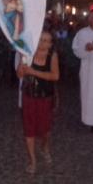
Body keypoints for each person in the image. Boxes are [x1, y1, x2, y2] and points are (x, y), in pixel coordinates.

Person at [16, 30, 59, 174]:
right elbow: (20, 74)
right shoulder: (28, 54)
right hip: (29, 95)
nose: (43, 43)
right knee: (29, 129)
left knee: (45, 129)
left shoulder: (52, 56)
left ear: (51, 43)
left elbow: (55, 76)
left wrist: (34, 72)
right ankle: (32, 160)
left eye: (47, 40)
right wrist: (21, 66)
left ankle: (45, 147)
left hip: (45, 97)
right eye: (41, 39)